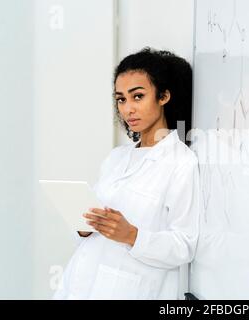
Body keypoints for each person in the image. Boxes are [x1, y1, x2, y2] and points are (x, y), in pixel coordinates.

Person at [53, 47, 200, 300]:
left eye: (138, 96)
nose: (128, 108)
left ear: (163, 96)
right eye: (121, 99)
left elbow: (185, 245)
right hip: (78, 286)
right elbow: (93, 236)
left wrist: (132, 235)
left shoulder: (180, 162)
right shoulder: (117, 158)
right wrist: (84, 228)